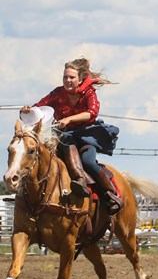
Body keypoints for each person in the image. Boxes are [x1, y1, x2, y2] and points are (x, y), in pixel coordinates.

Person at [20, 58, 121, 215]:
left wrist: (69, 119)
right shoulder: (57, 93)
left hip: (86, 137)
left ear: (80, 79)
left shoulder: (89, 93)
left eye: (71, 77)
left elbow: (91, 113)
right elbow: (39, 107)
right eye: (65, 77)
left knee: (88, 161)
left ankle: (110, 194)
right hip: (64, 138)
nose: (68, 80)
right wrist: (29, 110)